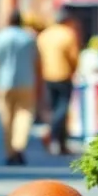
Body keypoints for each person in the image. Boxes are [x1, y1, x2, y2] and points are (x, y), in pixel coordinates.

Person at [0, 10, 40, 165]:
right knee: (24, 116)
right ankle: (19, 146)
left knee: (6, 119)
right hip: (26, 82)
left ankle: (10, 152)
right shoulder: (29, 38)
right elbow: (37, 63)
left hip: (4, 83)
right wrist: (39, 83)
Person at [36, 11, 80, 156]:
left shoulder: (44, 35)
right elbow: (73, 57)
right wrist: (74, 70)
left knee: (54, 107)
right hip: (63, 75)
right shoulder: (68, 34)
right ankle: (53, 136)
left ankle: (61, 143)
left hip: (47, 75)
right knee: (62, 109)